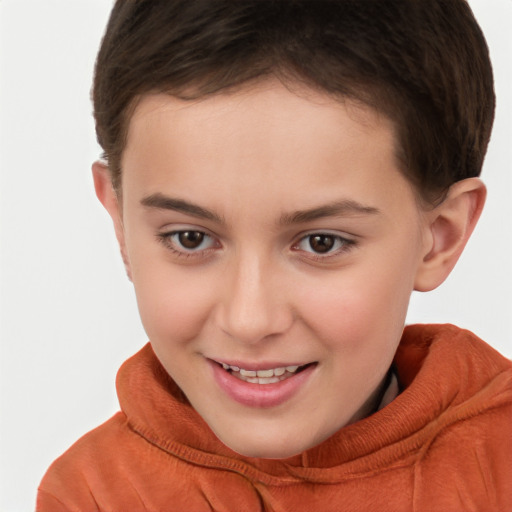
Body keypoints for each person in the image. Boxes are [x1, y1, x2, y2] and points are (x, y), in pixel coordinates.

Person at [36, 0, 512, 510]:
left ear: (439, 236)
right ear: (122, 224)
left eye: (321, 242)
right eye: (190, 238)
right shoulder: (92, 497)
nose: (249, 320)